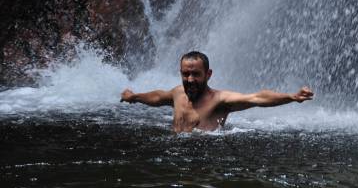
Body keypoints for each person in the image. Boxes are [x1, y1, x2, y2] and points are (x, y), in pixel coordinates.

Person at [120, 51, 314, 132]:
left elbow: (257, 97)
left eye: (196, 74)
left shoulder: (220, 100)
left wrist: (292, 97)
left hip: (206, 154)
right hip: (176, 152)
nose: (190, 79)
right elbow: (157, 96)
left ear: (208, 74)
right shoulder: (178, 93)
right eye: (185, 74)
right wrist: (134, 97)